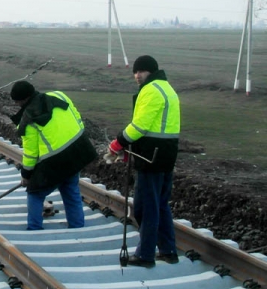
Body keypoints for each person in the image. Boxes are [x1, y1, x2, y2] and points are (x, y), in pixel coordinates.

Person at [107, 55, 181, 267]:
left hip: (152, 156)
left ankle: (145, 255)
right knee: (160, 205)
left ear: (151, 71)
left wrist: (118, 143)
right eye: (135, 71)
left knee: (144, 208)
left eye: (141, 71)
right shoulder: (167, 88)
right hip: (166, 153)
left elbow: (140, 126)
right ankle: (168, 251)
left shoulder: (151, 90)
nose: (137, 75)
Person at [9, 81, 98, 231]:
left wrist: (26, 175)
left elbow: (31, 153)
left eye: (17, 102)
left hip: (55, 160)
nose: (17, 105)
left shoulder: (27, 119)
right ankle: (77, 227)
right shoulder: (58, 95)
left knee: (35, 193)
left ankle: (34, 228)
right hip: (79, 148)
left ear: (21, 100)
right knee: (70, 188)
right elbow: (76, 115)